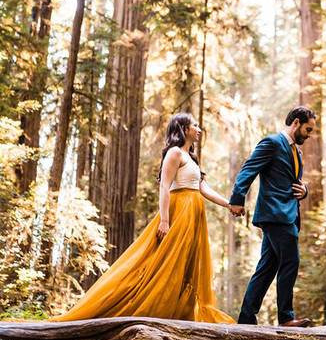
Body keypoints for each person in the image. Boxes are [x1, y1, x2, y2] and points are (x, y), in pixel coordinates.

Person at [53, 113, 235, 324]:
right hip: (180, 212)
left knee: (186, 262)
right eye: (195, 125)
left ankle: (181, 310)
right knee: (164, 261)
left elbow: (203, 188)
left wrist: (229, 204)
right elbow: (165, 186)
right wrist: (165, 221)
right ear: (184, 129)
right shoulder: (175, 153)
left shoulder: (191, 158)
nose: (199, 129)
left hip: (194, 214)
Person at [229, 106, 317, 328]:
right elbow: (249, 169)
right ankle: (286, 317)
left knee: (267, 267)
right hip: (275, 214)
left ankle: (246, 319)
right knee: (291, 261)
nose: (309, 134)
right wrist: (237, 199)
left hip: (286, 214)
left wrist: (305, 191)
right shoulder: (271, 143)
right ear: (296, 122)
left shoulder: (296, 151)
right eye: (308, 129)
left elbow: (294, 182)